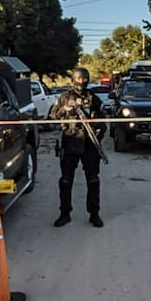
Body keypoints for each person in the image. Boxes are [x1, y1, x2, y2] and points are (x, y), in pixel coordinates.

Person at [49, 67, 108, 228]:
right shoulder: (64, 97)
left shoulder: (93, 98)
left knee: (93, 180)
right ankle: (65, 213)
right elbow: (52, 116)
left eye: (84, 79)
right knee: (66, 181)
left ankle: (94, 213)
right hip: (70, 142)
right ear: (73, 79)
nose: (81, 82)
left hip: (89, 144)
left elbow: (103, 121)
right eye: (78, 79)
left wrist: (98, 135)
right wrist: (64, 109)